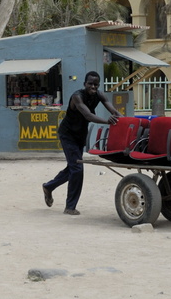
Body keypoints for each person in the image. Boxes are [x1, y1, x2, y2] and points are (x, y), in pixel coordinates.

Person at [42, 71, 122, 215]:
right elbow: (88, 115)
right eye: (90, 84)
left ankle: (49, 187)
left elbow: (114, 111)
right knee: (77, 168)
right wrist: (107, 122)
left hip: (80, 135)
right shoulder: (77, 97)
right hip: (68, 135)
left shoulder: (99, 95)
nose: (93, 87)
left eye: (95, 84)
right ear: (84, 84)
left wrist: (125, 120)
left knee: (74, 167)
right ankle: (70, 207)